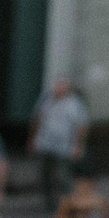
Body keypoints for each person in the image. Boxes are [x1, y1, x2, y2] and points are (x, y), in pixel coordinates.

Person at [29, 78, 90, 210]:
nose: (57, 89)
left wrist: (78, 147)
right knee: (45, 175)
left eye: (61, 86)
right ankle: (50, 203)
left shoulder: (74, 105)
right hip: (45, 144)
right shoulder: (46, 101)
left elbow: (81, 127)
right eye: (56, 86)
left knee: (63, 176)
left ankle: (72, 203)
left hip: (64, 146)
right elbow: (36, 119)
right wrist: (33, 139)